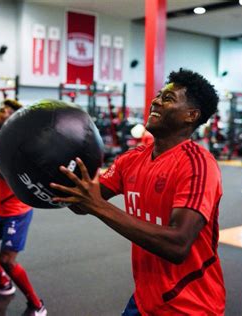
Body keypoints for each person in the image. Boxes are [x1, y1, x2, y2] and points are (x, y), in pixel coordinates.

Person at [51, 69, 225, 315]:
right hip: (145, 298)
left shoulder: (198, 165)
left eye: (168, 98)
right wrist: (54, 166)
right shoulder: (131, 160)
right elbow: (82, 202)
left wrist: (97, 206)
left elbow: (177, 245)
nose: (155, 101)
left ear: (191, 115)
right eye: (158, 96)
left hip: (189, 305)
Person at [0, 99, 46, 316]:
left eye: (4, 111)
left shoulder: (17, 145)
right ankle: (3, 284)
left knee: (7, 260)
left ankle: (37, 305)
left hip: (17, 210)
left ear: (14, 118)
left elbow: (11, 176)